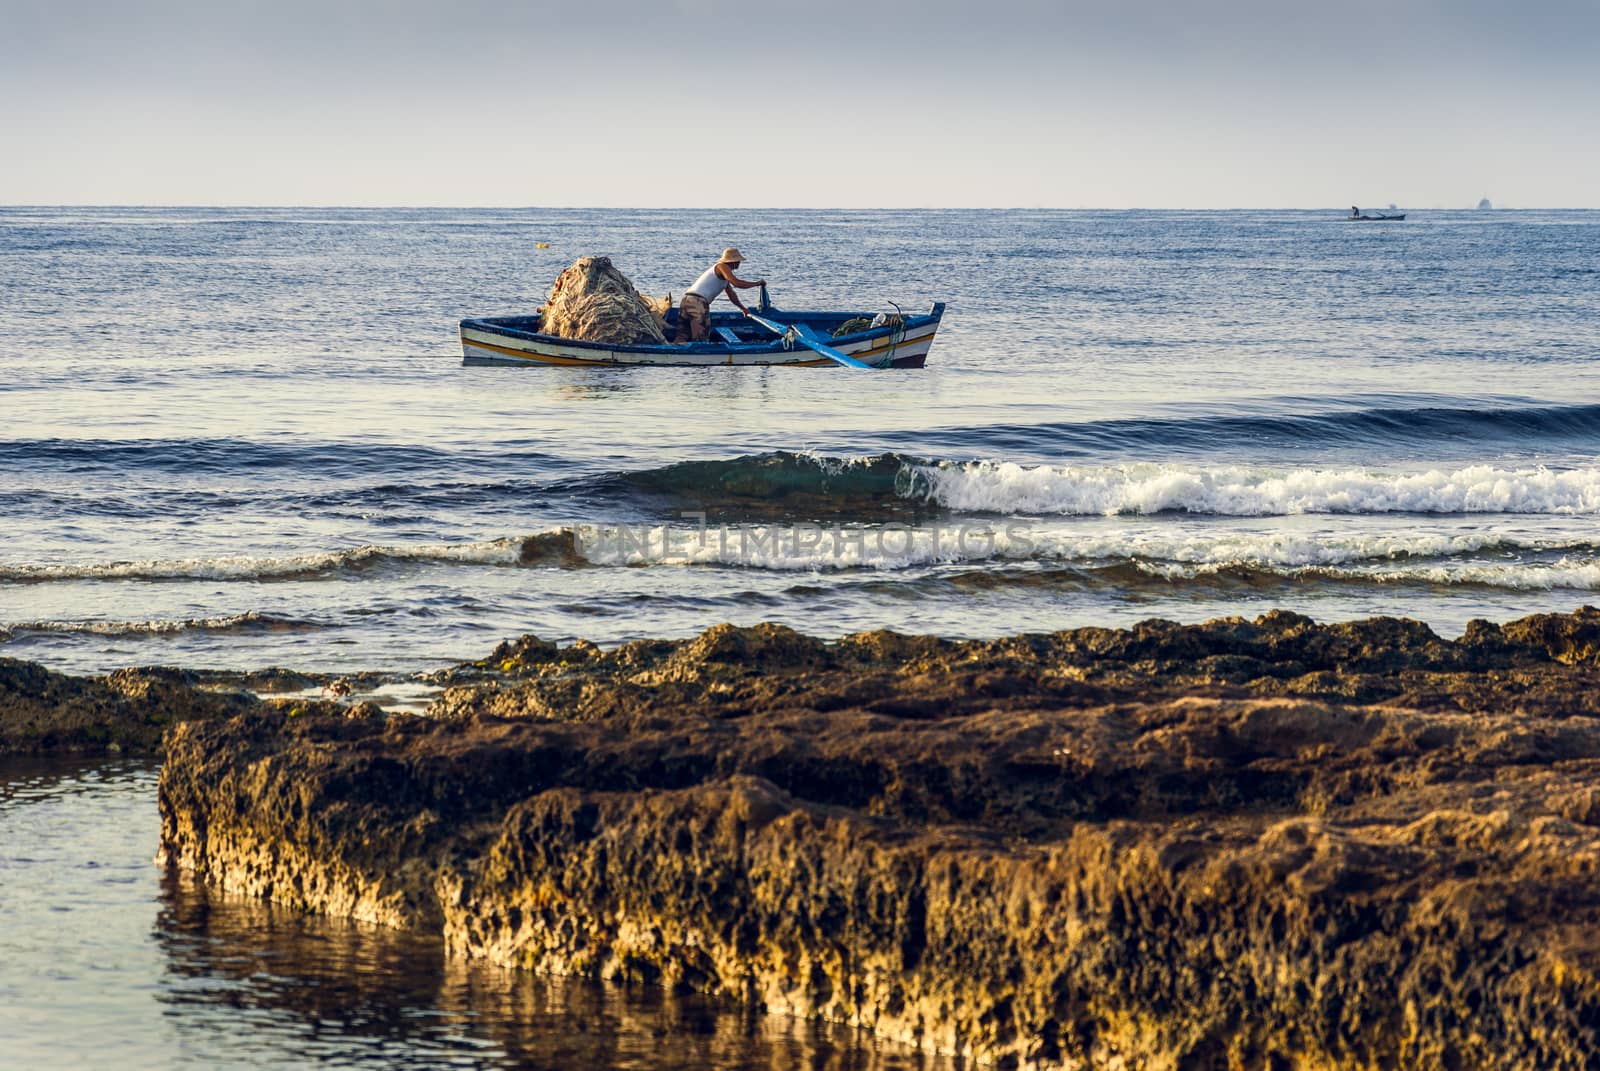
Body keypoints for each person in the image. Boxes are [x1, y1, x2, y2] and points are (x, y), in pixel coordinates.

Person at [674, 248, 767, 343]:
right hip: (697, 302)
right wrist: (757, 283)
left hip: (686, 300)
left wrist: (742, 308)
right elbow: (737, 283)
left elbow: (731, 294)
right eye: (738, 261)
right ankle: (699, 356)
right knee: (701, 337)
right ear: (733, 261)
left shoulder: (724, 275)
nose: (739, 263)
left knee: (682, 334)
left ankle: (675, 353)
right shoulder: (722, 267)